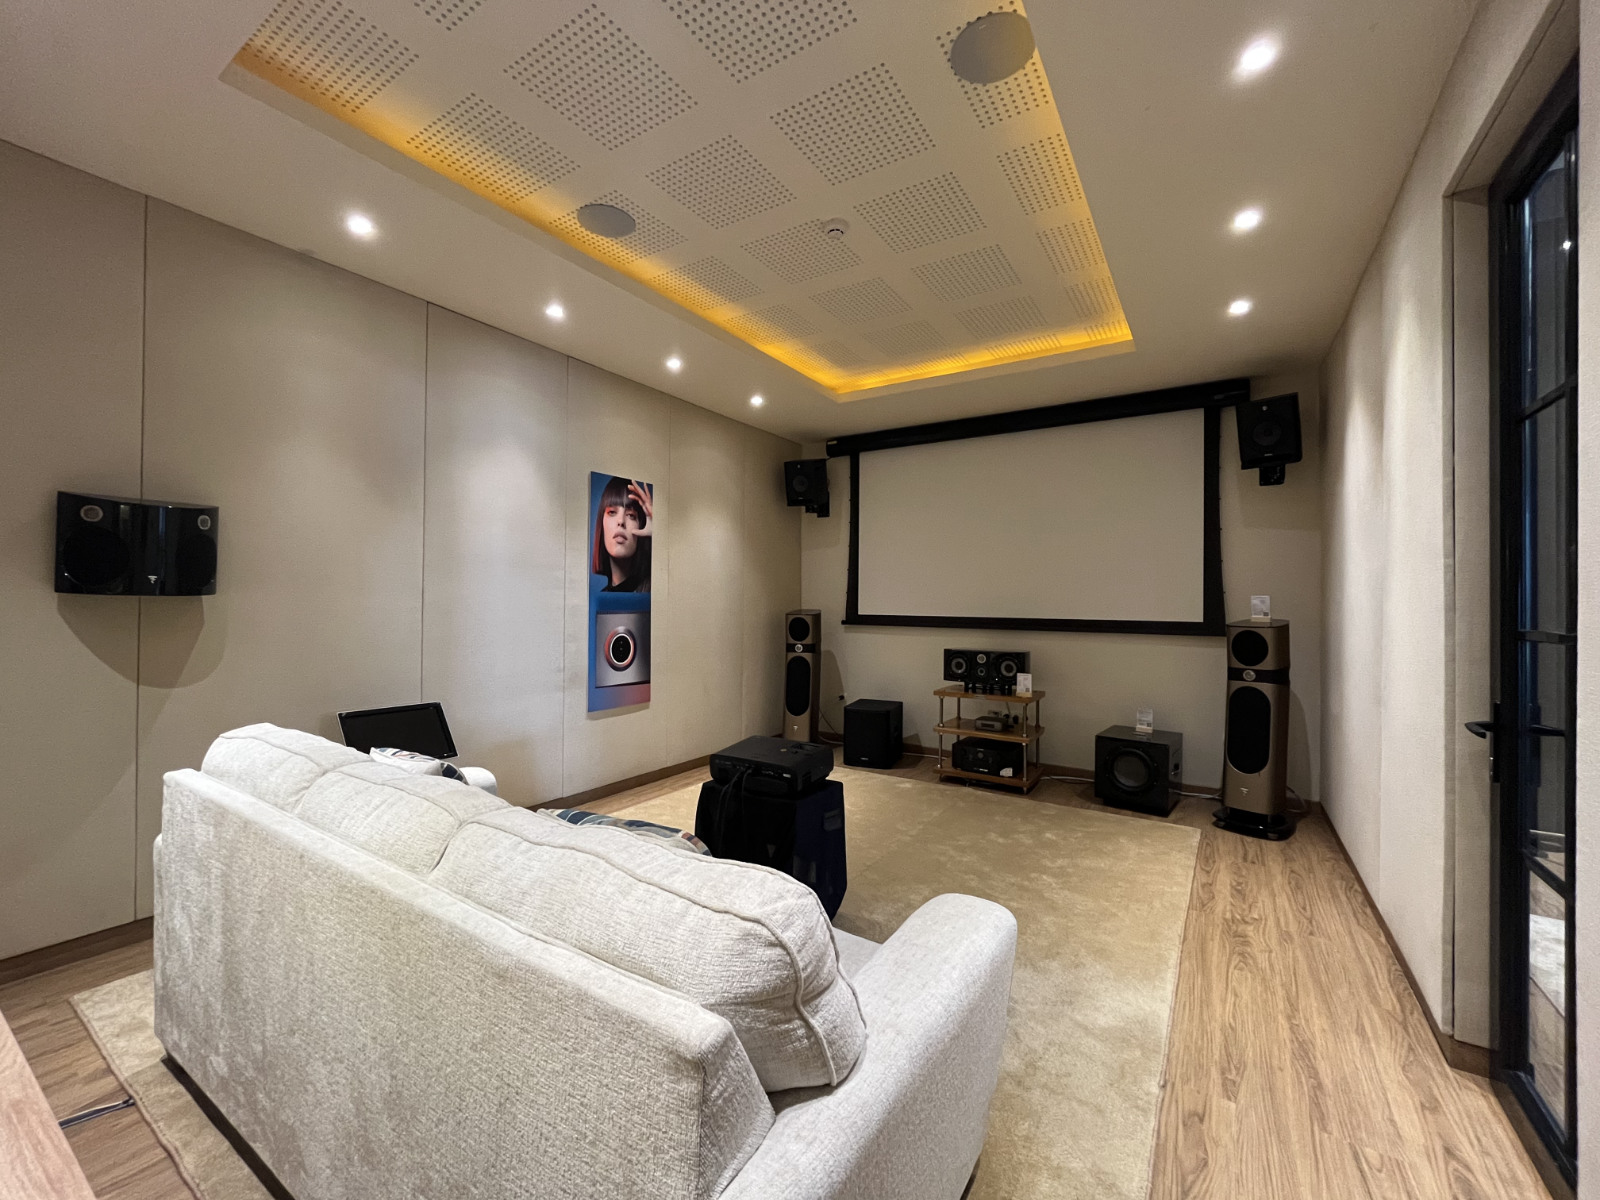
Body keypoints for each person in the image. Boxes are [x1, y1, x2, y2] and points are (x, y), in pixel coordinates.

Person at [591, 476, 652, 592]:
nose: (621, 521)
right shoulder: (601, 597)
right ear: (601, 524)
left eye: (631, 515)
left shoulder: (653, 589)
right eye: (612, 512)